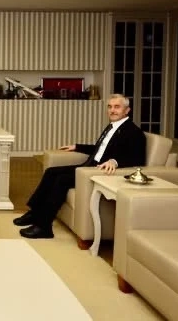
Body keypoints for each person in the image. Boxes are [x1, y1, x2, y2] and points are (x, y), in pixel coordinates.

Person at [14, 94, 146, 239]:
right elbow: (100, 149)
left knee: (62, 180)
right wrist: (77, 146)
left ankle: (44, 227)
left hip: (99, 172)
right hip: (89, 166)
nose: (112, 110)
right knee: (51, 172)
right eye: (110, 107)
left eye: (117, 107)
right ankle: (35, 213)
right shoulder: (112, 126)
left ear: (127, 110)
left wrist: (115, 161)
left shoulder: (134, 132)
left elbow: (137, 159)